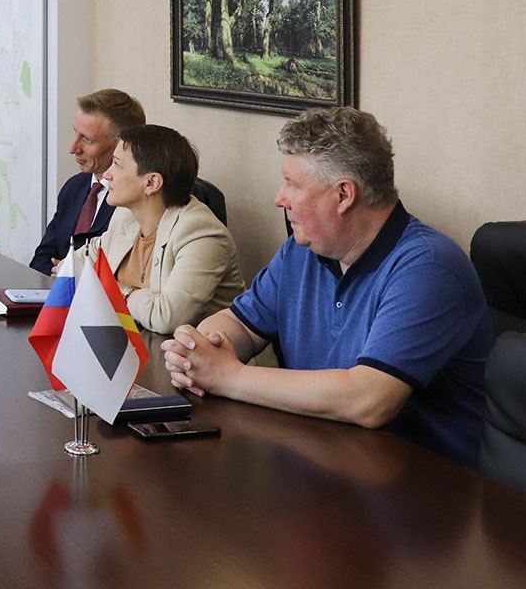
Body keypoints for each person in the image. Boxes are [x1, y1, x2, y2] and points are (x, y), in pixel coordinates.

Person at [161, 107, 491, 466]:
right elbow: (240, 323)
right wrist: (196, 352)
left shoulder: (429, 267)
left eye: (293, 184)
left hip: (424, 488)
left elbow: (370, 400)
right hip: (320, 457)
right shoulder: (302, 250)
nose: (279, 198)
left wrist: (228, 376)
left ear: (344, 194)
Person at [94, 124, 243, 334]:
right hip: (132, 346)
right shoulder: (126, 215)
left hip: (196, 360)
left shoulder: (201, 233)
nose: (106, 174)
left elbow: (167, 317)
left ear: (151, 182)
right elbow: (81, 263)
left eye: (117, 165)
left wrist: (118, 291)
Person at [30, 88, 146, 274]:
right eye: (75, 133)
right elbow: (40, 260)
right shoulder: (74, 187)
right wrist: (61, 273)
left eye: (87, 139)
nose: (73, 148)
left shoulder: (134, 200)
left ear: (121, 145)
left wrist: (67, 273)